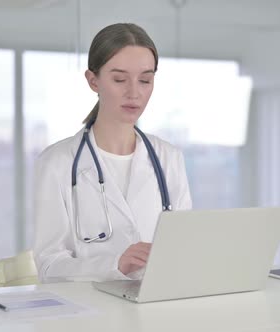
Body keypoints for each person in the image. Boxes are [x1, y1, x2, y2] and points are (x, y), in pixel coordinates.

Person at [32, 23, 192, 282]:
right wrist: (114, 264)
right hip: (92, 316)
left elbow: (184, 249)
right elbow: (49, 267)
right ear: (93, 81)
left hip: (157, 312)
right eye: (119, 79)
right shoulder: (57, 163)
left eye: (145, 80)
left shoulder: (169, 158)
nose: (134, 92)